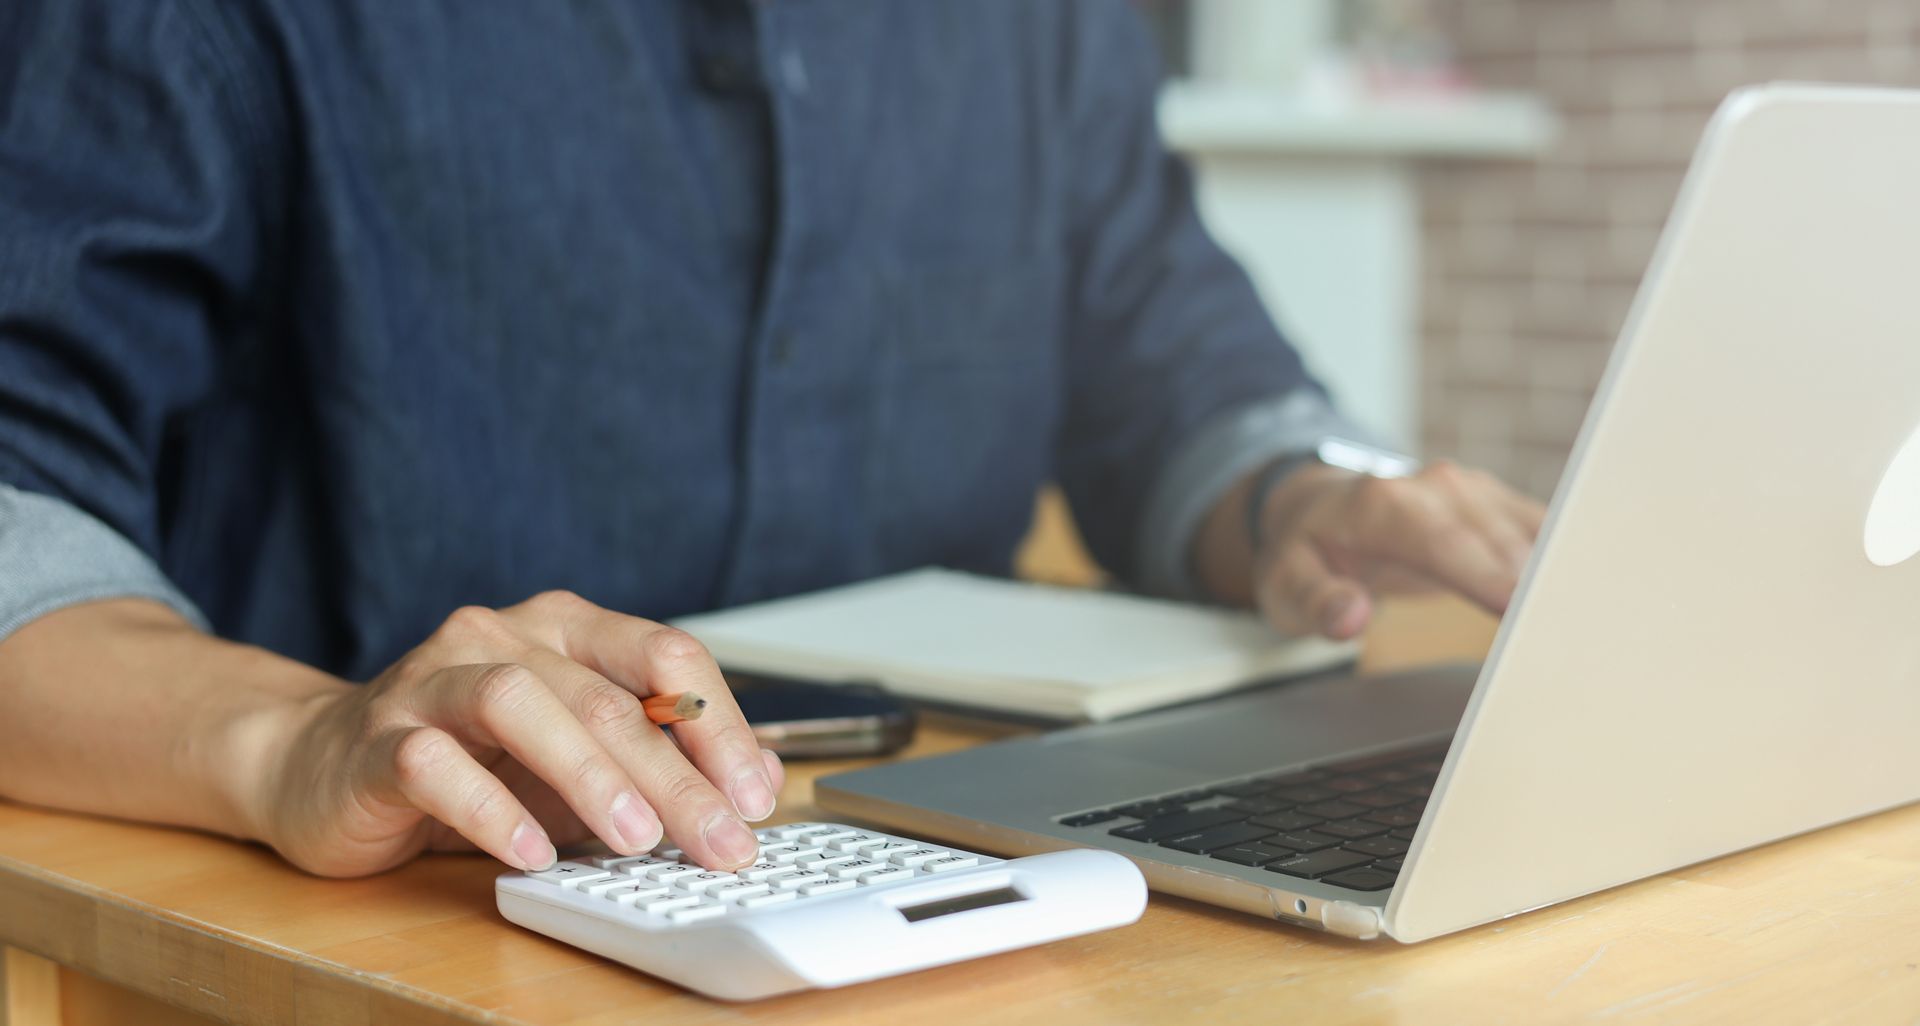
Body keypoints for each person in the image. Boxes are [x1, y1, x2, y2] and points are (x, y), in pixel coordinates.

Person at [0, 1, 1542, 879]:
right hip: (411, 917)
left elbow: (1174, 361)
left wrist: (1295, 497)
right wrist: (300, 736)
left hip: (945, 903)